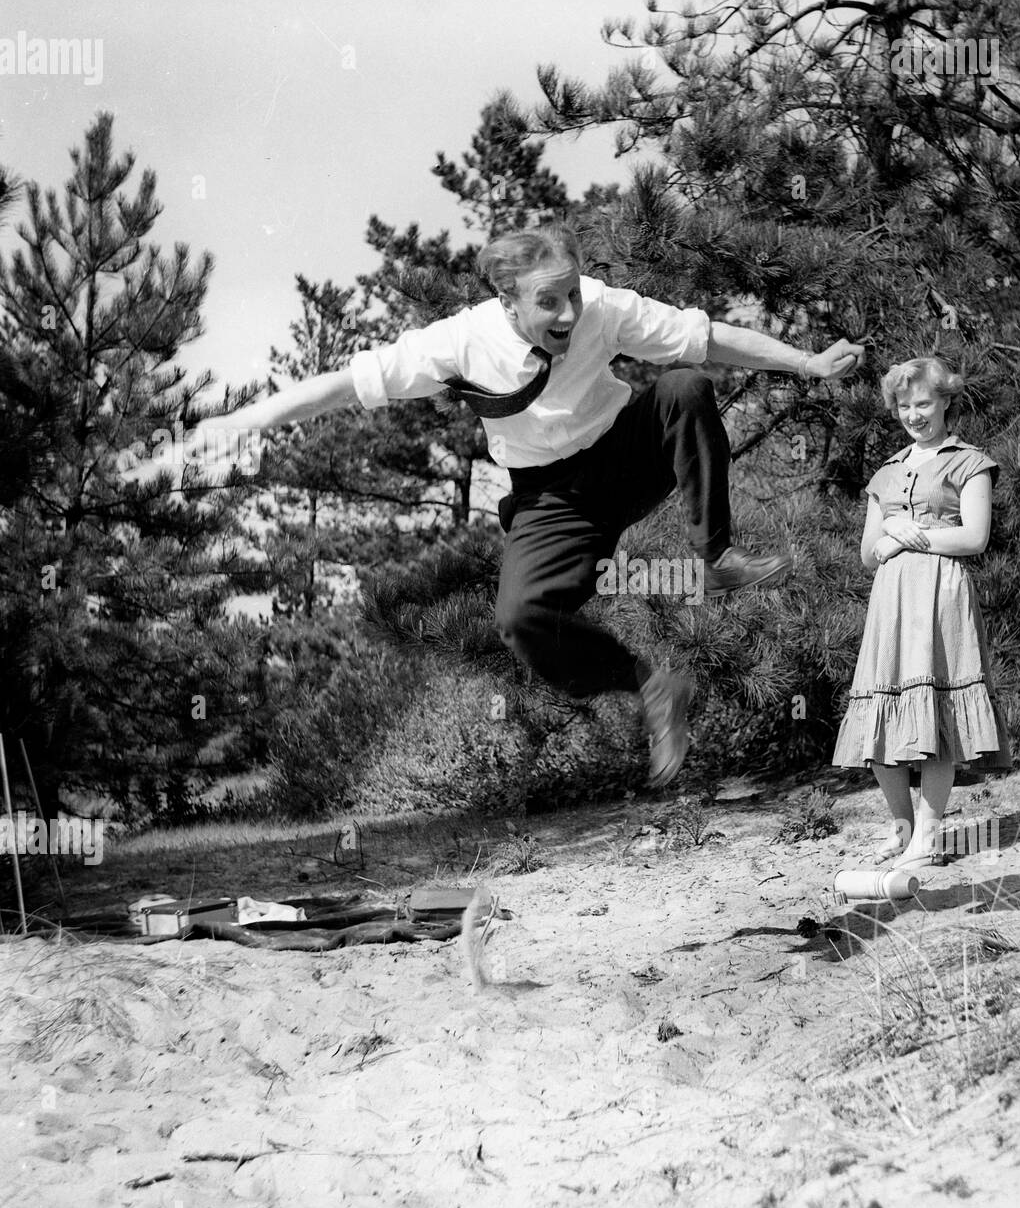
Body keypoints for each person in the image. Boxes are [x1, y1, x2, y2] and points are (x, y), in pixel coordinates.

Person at [183, 225, 863, 787]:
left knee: (683, 385)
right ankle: (652, 684)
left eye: (572, 294)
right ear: (507, 303)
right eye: (549, 303)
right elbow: (340, 386)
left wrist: (807, 363)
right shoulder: (458, 342)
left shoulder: (600, 305)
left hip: (627, 453)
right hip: (551, 496)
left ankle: (718, 556)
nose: (569, 314)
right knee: (521, 617)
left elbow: (706, 338)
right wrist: (242, 424)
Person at [833, 356, 1010, 869]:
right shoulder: (885, 473)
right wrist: (889, 534)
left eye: (924, 403)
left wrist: (916, 536)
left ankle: (929, 834)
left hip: (941, 592)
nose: (914, 414)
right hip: (890, 599)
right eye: (904, 405)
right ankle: (901, 826)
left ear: (947, 401)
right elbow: (868, 554)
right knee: (880, 712)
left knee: (935, 710)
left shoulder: (969, 462)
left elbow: (975, 537)